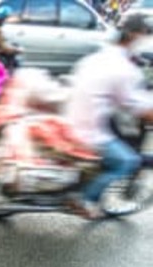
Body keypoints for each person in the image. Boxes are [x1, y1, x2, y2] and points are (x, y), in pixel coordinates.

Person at [65, 13, 153, 218]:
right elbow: (135, 104)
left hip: (72, 117)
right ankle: (85, 200)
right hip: (89, 131)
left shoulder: (95, 58)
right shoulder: (124, 69)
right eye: (143, 34)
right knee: (127, 161)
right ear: (133, 36)